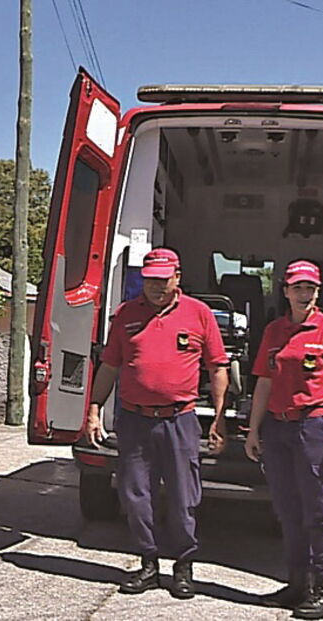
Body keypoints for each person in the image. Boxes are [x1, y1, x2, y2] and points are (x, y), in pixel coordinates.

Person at [85, 247, 229, 598]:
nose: (157, 286)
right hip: (134, 420)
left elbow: (217, 367)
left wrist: (221, 418)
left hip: (179, 420)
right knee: (136, 495)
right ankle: (148, 563)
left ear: (177, 277)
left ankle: (182, 565)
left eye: (164, 280)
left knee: (183, 498)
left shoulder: (199, 314)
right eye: (151, 280)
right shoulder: (125, 315)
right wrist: (93, 408)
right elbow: (109, 366)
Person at [244, 260, 323, 619]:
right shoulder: (275, 330)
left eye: (310, 288)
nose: (304, 293)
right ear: (285, 291)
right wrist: (253, 429)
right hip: (278, 429)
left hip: (314, 427)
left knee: (322, 513)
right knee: (289, 511)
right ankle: (298, 584)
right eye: (297, 287)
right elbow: (264, 381)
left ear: (318, 291)